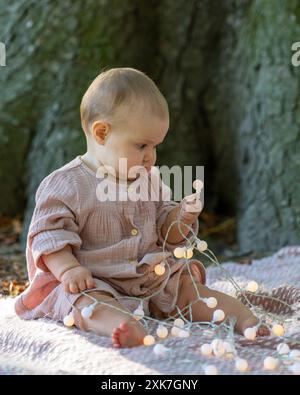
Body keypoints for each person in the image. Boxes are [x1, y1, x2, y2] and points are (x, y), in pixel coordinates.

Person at [15, 67, 269, 348]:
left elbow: (166, 230)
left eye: (156, 146)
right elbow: (49, 235)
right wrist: (68, 271)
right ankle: (122, 326)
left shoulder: (150, 179)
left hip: (151, 280)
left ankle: (243, 318)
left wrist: (181, 217)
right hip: (96, 280)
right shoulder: (66, 184)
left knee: (188, 290)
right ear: (101, 132)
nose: (151, 157)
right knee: (84, 304)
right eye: (142, 145)